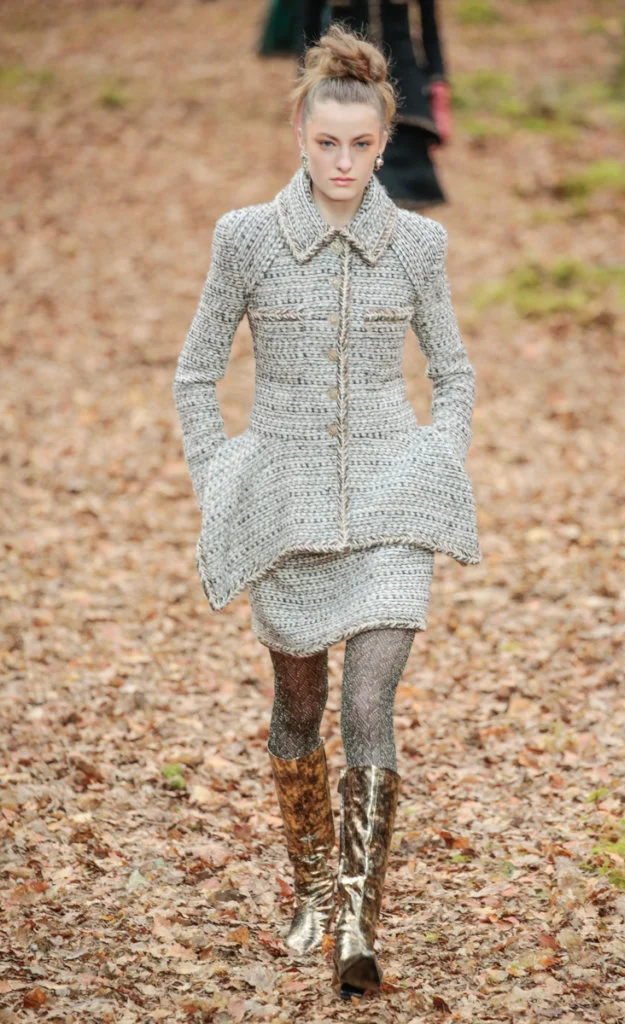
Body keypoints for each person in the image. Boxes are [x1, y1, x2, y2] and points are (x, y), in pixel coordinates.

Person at [172, 23, 480, 998]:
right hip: (284, 508)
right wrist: (222, 476)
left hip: (393, 499)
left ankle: (355, 921)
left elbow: (454, 371)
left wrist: (437, 455)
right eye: (325, 143)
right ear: (299, 138)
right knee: (298, 709)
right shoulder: (247, 239)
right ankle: (309, 880)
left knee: (366, 703)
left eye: (360, 144)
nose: (342, 162)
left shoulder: (417, 245)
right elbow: (194, 374)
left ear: (383, 144)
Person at [302, 0, 452, 208]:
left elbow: (431, 33)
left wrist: (439, 94)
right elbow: (308, 36)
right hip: (346, 90)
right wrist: (307, 97)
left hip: (406, 95)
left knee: (406, 196)